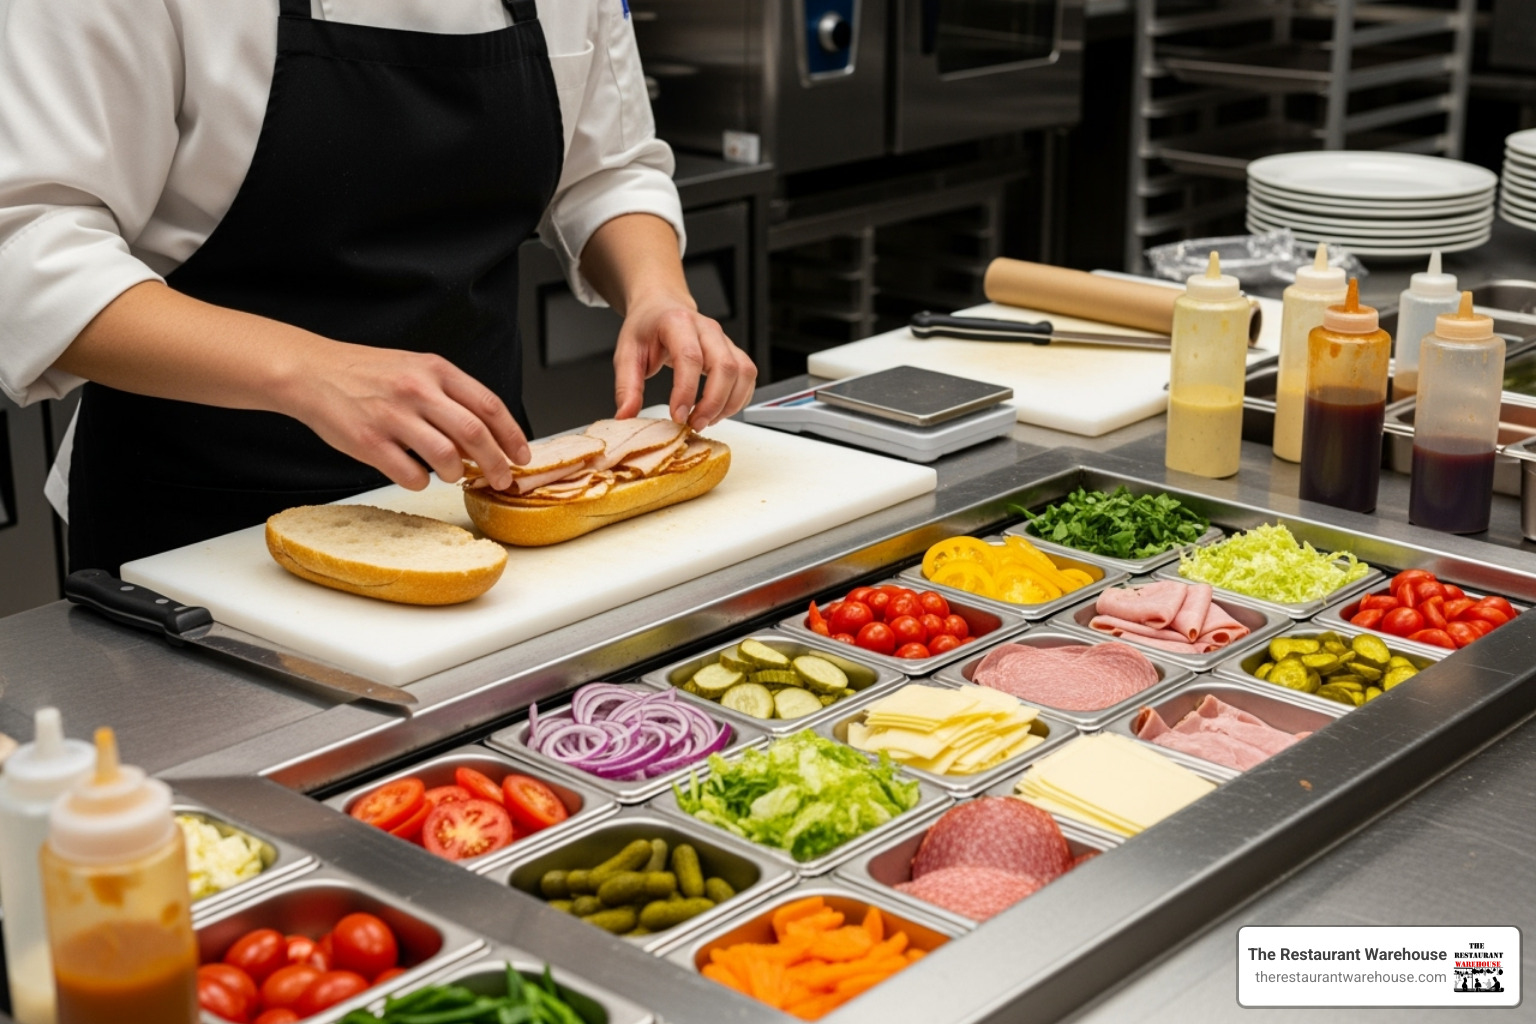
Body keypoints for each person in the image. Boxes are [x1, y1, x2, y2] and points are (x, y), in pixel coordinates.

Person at [0, 0, 757, 574]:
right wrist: (311, 371)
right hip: (198, 533)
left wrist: (658, 292)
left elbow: (607, 166)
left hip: (486, 501)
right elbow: (29, 244)